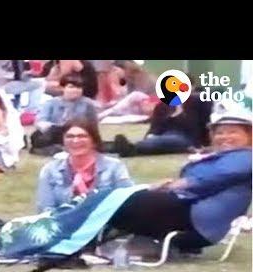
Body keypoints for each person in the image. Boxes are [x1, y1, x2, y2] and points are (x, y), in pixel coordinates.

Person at [107, 111, 252, 252]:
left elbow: (217, 177)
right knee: (125, 199)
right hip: (188, 212)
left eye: (233, 132)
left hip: (197, 222)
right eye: (219, 133)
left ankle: (99, 233)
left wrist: (182, 183)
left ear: (249, 136)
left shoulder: (246, 157)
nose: (224, 137)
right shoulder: (220, 157)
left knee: (127, 201)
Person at [36, 118, 134, 211]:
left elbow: (129, 201)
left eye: (82, 136)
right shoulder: (50, 170)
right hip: (64, 224)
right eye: (70, 136)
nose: (75, 141)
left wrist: (87, 195)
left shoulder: (114, 167)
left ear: (94, 141)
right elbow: (45, 209)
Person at [30, 73, 98, 155]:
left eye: (79, 87)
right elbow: (40, 122)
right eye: (71, 87)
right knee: (38, 136)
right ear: (62, 88)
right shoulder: (52, 103)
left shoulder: (87, 104)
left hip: (76, 133)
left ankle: (59, 149)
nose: (75, 90)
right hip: (54, 132)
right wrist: (52, 127)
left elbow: (93, 124)